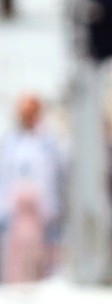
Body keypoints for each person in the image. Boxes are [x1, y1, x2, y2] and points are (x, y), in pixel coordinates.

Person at [0, 93, 64, 282]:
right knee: (16, 261)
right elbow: (6, 176)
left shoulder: (47, 142)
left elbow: (52, 178)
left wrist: (52, 211)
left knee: (41, 262)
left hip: (40, 212)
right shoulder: (11, 143)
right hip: (16, 214)